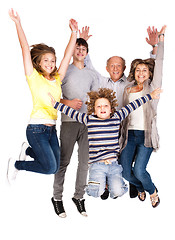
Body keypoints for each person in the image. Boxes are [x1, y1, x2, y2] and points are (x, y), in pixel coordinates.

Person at [83, 25, 160, 199]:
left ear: (125, 67)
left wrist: (154, 49)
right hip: (106, 125)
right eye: (112, 65)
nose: (115, 68)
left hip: (127, 126)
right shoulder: (101, 81)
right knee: (108, 155)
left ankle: (133, 183)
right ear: (107, 67)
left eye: (119, 65)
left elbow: (149, 73)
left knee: (128, 157)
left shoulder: (131, 84)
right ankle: (107, 185)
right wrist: (84, 45)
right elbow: (90, 68)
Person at [49, 87, 162, 204]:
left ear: (111, 109)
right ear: (94, 109)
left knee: (117, 192)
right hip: (97, 165)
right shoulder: (89, 120)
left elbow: (132, 105)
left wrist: (150, 96)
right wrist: (56, 105)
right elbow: (71, 112)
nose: (102, 108)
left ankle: (110, 183)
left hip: (114, 165)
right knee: (96, 192)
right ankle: (101, 183)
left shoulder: (117, 117)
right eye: (98, 106)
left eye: (105, 106)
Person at [7, 9, 78, 182]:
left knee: (55, 164)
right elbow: (24, 49)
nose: (50, 63)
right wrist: (18, 23)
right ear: (38, 62)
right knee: (50, 168)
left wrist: (74, 33)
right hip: (36, 129)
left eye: (53, 60)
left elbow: (67, 56)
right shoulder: (34, 78)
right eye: (46, 60)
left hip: (52, 129)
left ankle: (28, 151)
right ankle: (16, 164)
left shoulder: (57, 78)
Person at [51, 37, 99, 218]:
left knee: (85, 163)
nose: (80, 51)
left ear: (87, 52)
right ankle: (57, 198)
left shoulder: (92, 74)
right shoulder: (64, 71)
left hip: (88, 123)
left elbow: (96, 100)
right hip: (69, 122)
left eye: (83, 49)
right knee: (63, 162)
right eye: (77, 48)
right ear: (72, 51)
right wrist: (68, 102)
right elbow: (53, 97)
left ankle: (78, 196)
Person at [119, 25, 166, 208]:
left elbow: (159, 63)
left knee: (139, 169)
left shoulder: (153, 89)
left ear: (149, 74)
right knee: (125, 172)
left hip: (145, 135)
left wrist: (160, 41)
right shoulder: (127, 88)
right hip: (129, 135)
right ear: (134, 72)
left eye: (144, 70)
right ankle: (140, 187)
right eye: (138, 70)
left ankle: (152, 191)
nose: (141, 73)